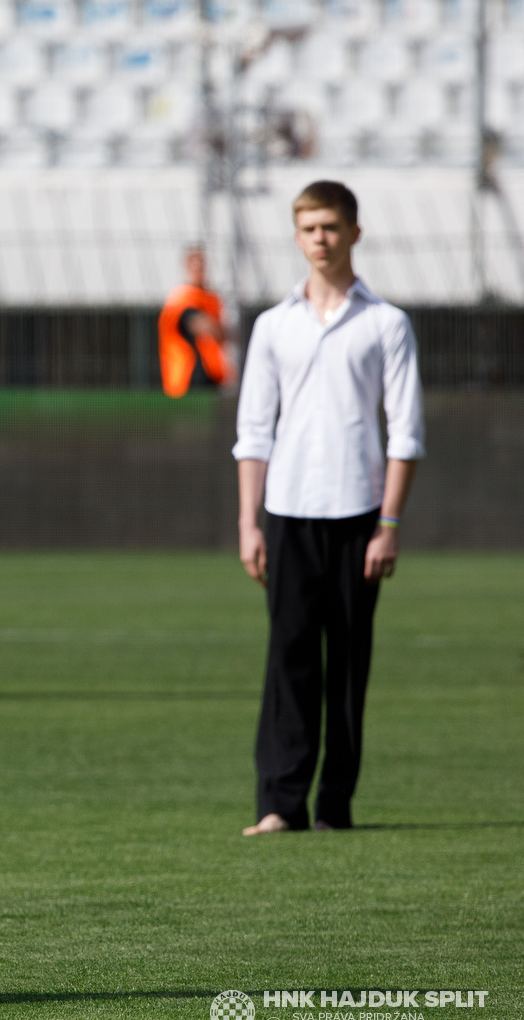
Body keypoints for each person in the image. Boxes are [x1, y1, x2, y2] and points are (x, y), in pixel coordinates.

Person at [233, 181, 424, 837]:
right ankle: (279, 802)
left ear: (354, 232)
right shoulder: (272, 325)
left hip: (357, 514)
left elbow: (406, 433)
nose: (321, 239)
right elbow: (254, 431)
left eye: (331, 227)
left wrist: (389, 524)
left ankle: (333, 806)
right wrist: (247, 521)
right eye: (309, 227)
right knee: (287, 658)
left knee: (347, 662)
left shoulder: (386, 323)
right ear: (296, 235)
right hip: (286, 511)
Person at [158, 244, 229, 398]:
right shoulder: (181, 299)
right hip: (186, 382)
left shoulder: (209, 298)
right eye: (194, 262)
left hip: (212, 378)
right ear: (186, 265)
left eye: (201, 262)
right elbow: (208, 328)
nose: (199, 267)